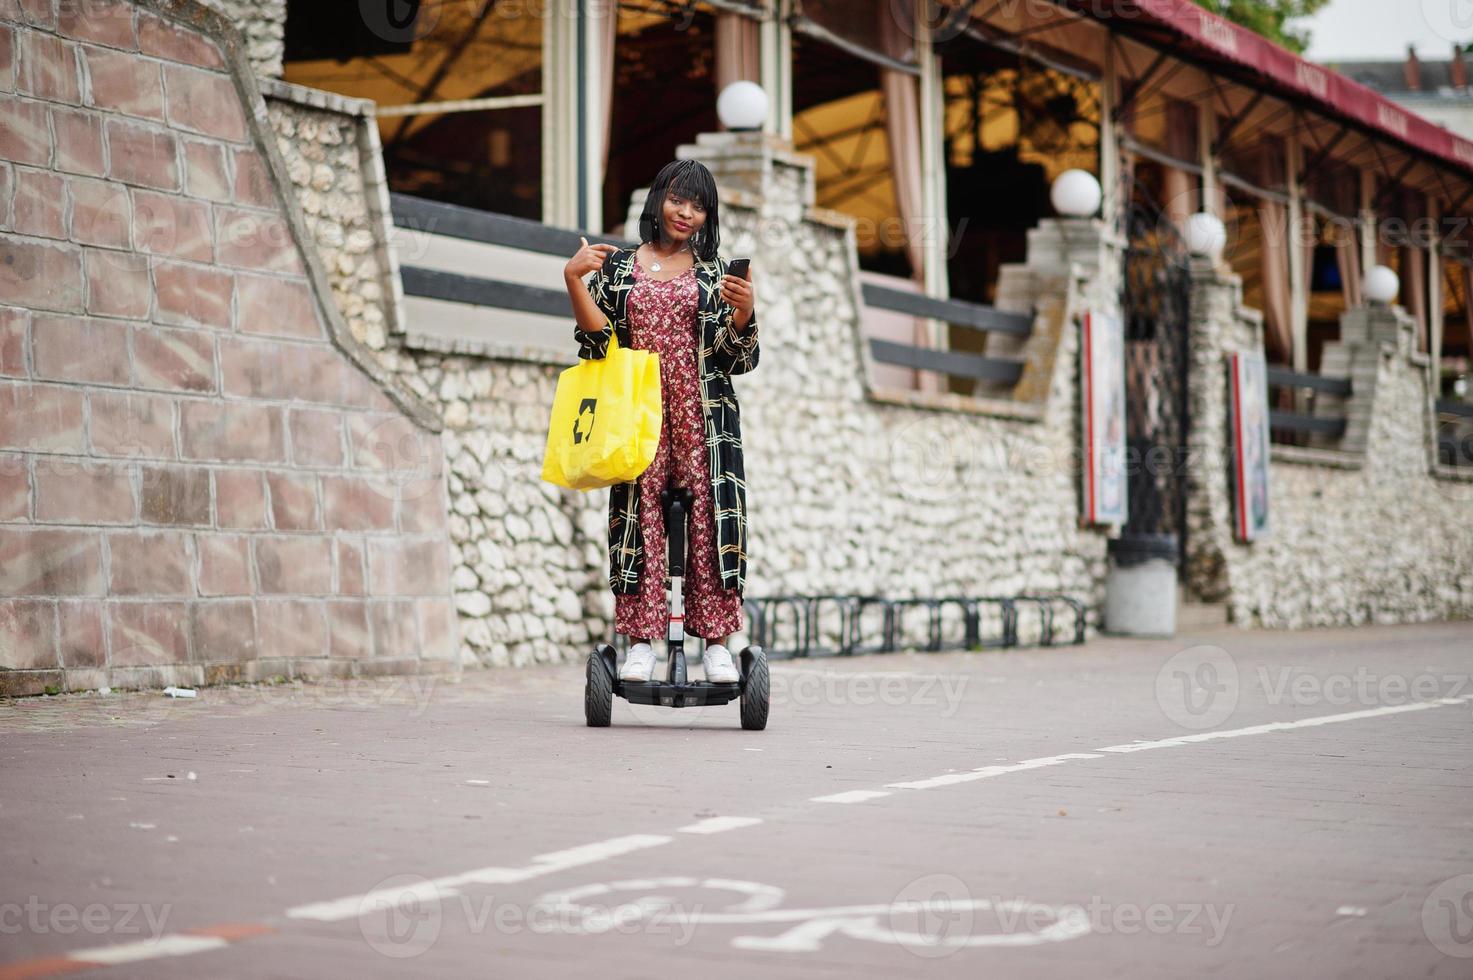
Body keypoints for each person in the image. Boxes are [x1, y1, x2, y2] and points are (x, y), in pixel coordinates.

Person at [563, 159, 760, 684]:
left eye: (699, 206)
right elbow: (596, 342)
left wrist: (743, 314)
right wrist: (573, 279)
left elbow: (734, 358)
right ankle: (641, 642)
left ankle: (717, 642)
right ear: (658, 199)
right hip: (635, 414)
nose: (687, 213)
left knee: (711, 525)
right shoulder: (621, 269)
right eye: (679, 200)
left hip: (703, 417)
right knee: (638, 520)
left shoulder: (716, 273)